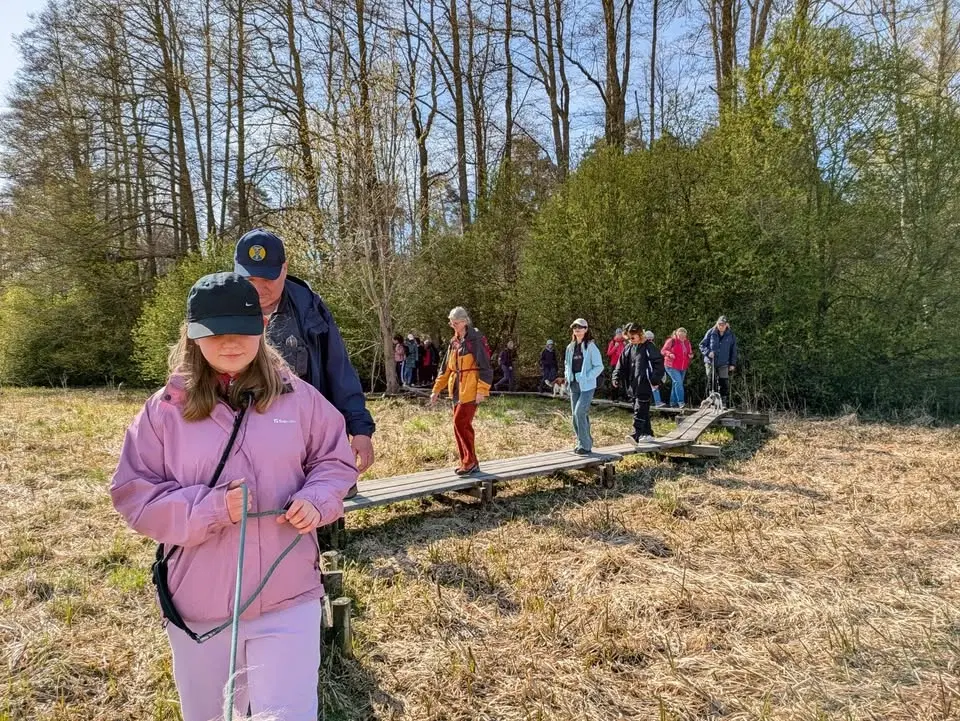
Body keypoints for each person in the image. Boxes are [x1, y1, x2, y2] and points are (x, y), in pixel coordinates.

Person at [110, 272, 358, 721]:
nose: (229, 344)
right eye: (214, 332)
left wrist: (318, 499)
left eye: (241, 330)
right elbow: (134, 494)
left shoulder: (299, 399)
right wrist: (209, 509)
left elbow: (335, 461)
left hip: (289, 599)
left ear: (262, 327)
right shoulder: (164, 411)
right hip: (200, 608)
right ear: (192, 335)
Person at [234, 229, 375, 475]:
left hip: (305, 443)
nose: (259, 289)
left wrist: (360, 429)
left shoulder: (310, 309)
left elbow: (338, 370)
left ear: (285, 268)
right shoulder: (216, 309)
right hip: (240, 449)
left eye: (267, 279)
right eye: (249, 280)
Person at [430, 307, 493, 475]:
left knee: (461, 423)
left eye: (455, 323)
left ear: (465, 322)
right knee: (457, 425)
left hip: (471, 390)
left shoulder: (476, 340)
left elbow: (486, 368)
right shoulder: (454, 342)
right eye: (451, 322)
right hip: (457, 390)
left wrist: (482, 390)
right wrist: (436, 390)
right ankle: (467, 461)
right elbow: (446, 369)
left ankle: (470, 461)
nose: (453, 326)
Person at [612, 322, 665, 443]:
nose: (631, 340)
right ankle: (647, 433)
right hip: (632, 383)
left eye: (633, 337)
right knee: (641, 408)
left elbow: (658, 362)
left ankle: (635, 434)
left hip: (645, 382)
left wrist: (655, 379)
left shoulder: (649, 347)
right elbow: (621, 364)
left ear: (640, 334)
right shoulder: (628, 347)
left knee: (639, 408)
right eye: (628, 338)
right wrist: (616, 377)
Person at [565, 318, 604, 454]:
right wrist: (567, 375)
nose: (577, 329)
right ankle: (583, 442)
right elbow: (567, 364)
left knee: (579, 412)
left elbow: (599, 366)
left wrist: (587, 376)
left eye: (580, 327)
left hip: (587, 385)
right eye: (575, 327)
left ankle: (585, 445)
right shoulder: (570, 347)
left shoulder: (591, 347)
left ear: (586, 329)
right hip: (574, 384)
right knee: (575, 416)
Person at [699, 315, 738, 408]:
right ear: (717, 324)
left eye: (723, 325)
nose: (721, 326)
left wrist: (732, 363)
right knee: (711, 381)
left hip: (724, 362)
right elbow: (702, 345)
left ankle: (723, 402)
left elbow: (733, 350)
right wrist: (708, 352)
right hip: (710, 361)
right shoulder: (711, 332)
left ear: (726, 325)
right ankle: (711, 402)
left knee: (724, 382)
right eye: (720, 324)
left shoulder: (731, 335)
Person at [662, 327, 694, 407]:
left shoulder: (687, 343)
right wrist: (669, 354)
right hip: (671, 365)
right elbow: (663, 350)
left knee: (676, 384)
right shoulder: (671, 341)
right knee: (678, 383)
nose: (682, 338)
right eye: (680, 336)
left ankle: (673, 403)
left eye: (683, 336)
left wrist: (690, 355)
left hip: (682, 367)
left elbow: (690, 352)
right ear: (677, 334)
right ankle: (681, 403)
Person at [645, 330, 667, 407]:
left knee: (650, 386)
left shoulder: (646, 346)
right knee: (654, 386)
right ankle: (657, 402)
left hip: (646, 370)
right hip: (649, 370)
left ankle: (653, 402)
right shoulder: (651, 347)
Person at [606, 328, 627, 400]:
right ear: (616, 334)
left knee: (624, 381)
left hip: (623, 364)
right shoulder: (613, 342)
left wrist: (625, 346)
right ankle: (614, 397)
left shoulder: (624, 342)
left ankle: (625, 397)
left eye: (621, 334)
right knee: (615, 380)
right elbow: (609, 353)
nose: (619, 335)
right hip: (614, 364)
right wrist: (615, 346)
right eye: (618, 334)